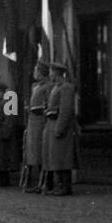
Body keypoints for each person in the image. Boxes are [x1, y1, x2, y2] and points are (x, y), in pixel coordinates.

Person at [43, 62, 79, 196]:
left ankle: (65, 186)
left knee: (63, 157)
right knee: (56, 157)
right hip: (52, 123)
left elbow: (65, 110)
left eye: (51, 72)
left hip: (60, 126)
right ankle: (60, 185)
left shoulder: (66, 88)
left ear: (56, 73)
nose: (50, 74)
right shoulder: (56, 88)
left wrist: (59, 128)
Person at [21, 62, 52, 193]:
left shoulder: (48, 86)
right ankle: (38, 181)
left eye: (36, 70)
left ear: (41, 72)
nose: (34, 73)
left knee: (41, 153)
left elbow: (48, 105)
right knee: (34, 154)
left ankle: (44, 182)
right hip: (33, 123)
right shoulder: (36, 86)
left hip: (41, 123)